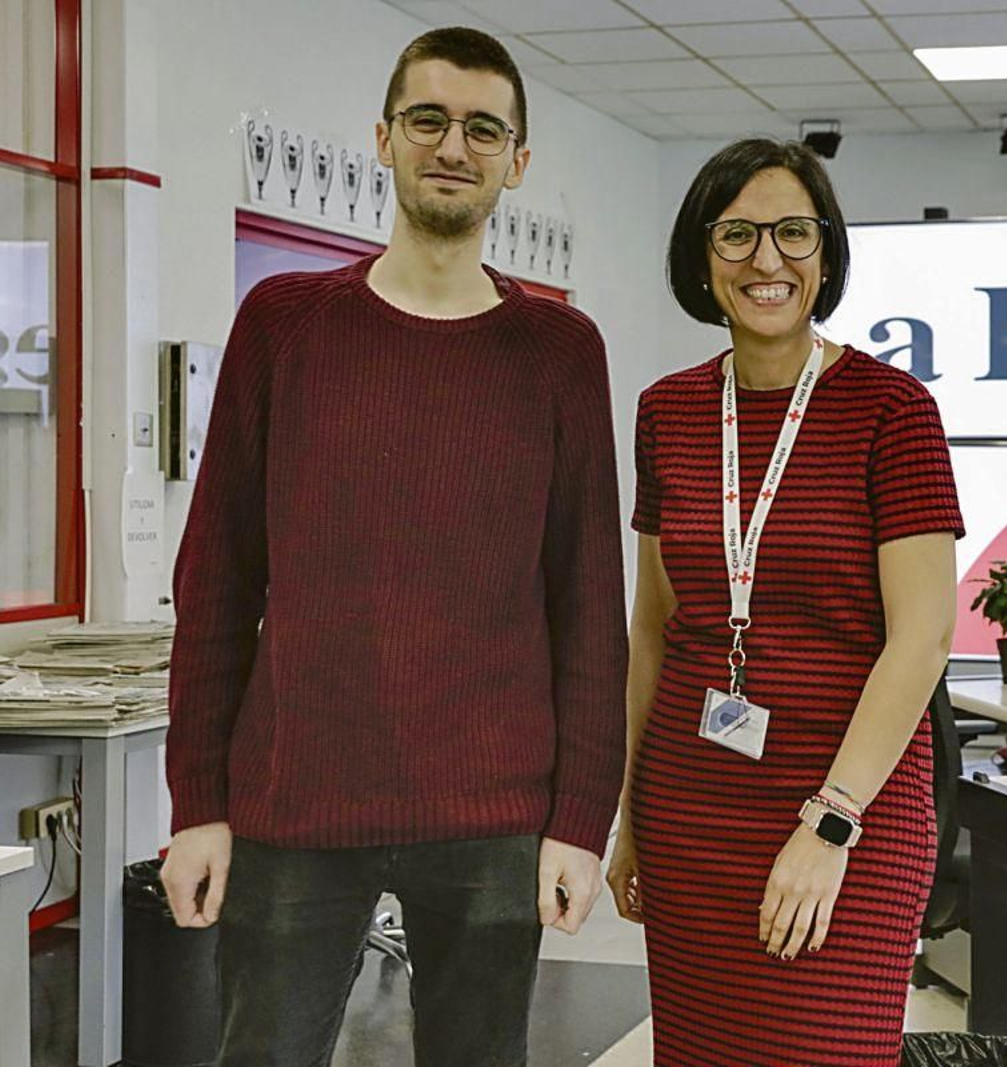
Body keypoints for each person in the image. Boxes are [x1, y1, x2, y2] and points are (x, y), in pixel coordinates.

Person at [161, 27, 626, 1066]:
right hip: (295, 793)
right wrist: (197, 800)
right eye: (428, 119)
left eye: (481, 128)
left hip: (493, 805)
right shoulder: (284, 323)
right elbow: (219, 578)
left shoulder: (560, 351)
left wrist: (580, 819)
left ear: (517, 160)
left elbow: (590, 600)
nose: (452, 145)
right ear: (383, 137)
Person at [607, 138, 964, 1065]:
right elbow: (656, 627)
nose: (767, 260)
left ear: (827, 252)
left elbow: (921, 640)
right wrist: (629, 810)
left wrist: (830, 820)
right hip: (693, 807)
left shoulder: (894, 410)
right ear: (701, 258)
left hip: (851, 812)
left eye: (793, 233)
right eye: (737, 235)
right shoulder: (667, 411)